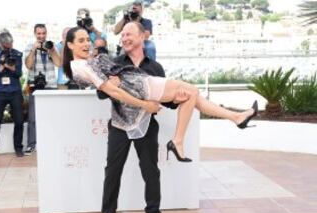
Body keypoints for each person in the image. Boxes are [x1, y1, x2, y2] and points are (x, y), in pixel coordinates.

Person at [63, 23, 258, 163]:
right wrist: (144, 104)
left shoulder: (85, 63)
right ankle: (180, 140)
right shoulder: (82, 66)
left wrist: (172, 100)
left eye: (87, 39)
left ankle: (236, 117)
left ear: (143, 37)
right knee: (192, 91)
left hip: (139, 83)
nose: (86, 44)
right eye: (80, 41)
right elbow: (113, 92)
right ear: (69, 44)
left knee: (191, 94)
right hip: (139, 86)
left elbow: (111, 81)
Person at [90, 24, 180, 213]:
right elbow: (102, 95)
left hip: (147, 126)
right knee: (112, 171)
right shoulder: (114, 64)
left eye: (129, 34)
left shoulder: (155, 68)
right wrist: (109, 83)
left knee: (151, 172)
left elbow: (166, 100)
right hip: (119, 125)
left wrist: (178, 99)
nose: (124, 38)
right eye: (122, 35)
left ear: (143, 36)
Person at [0, 31, 24, 160]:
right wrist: (0, 68)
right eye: (7, 45)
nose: (10, 47)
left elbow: (19, 74)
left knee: (19, 121)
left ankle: (18, 148)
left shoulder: (17, 54)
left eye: (11, 44)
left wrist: (12, 68)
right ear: (1, 43)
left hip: (15, 91)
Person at [24, 24, 61, 155]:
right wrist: (33, 50)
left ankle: (53, 143)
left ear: (46, 33)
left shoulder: (51, 46)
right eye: (39, 34)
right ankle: (31, 144)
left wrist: (52, 51)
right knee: (33, 118)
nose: (41, 36)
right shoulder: (29, 46)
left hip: (51, 85)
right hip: (35, 86)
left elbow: (59, 64)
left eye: (43, 33)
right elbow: (28, 65)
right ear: (35, 34)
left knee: (52, 116)